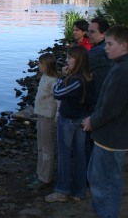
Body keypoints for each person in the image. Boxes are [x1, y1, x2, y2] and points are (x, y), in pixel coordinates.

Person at [81, 26, 128, 218]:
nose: (105, 48)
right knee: (107, 178)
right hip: (118, 134)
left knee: (103, 179)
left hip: (112, 137)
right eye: (105, 43)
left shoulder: (123, 72)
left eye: (110, 44)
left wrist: (92, 121)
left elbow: (111, 108)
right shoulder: (126, 65)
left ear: (123, 46)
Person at [45, 45, 94, 203]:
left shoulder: (76, 79)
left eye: (69, 58)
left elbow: (57, 93)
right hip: (82, 118)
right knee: (80, 154)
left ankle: (62, 190)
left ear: (77, 61)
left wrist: (62, 77)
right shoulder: (88, 76)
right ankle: (79, 190)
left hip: (70, 120)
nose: (66, 60)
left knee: (65, 155)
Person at [28, 53, 60, 190]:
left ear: (46, 65)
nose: (38, 66)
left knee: (47, 148)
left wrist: (57, 118)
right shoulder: (44, 77)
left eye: (40, 64)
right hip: (41, 116)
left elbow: (59, 102)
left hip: (49, 118)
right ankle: (39, 173)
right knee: (40, 146)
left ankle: (45, 178)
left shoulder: (54, 81)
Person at [87, 17, 112, 103]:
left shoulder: (98, 51)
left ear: (104, 34)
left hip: (99, 98)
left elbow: (77, 67)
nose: (88, 34)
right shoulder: (109, 47)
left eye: (92, 32)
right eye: (88, 31)